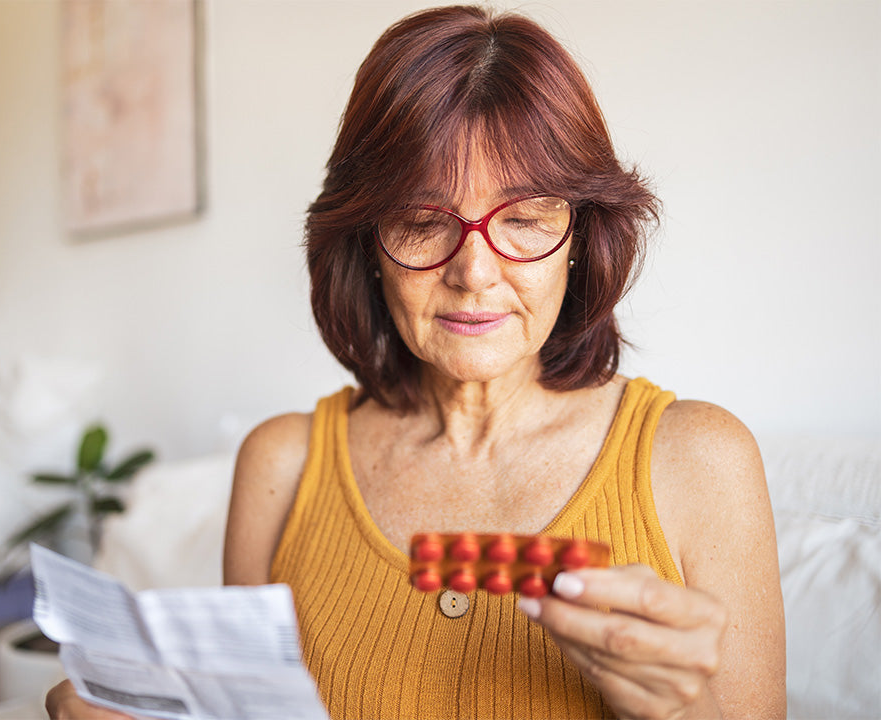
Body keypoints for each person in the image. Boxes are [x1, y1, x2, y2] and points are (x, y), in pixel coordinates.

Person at [48, 5, 785, 719]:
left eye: (524, 220)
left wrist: (682, 708)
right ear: (367, 243)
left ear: (583, 238)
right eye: (422, 222)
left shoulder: (701, 460)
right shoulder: (278, 465)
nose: (474, 272)